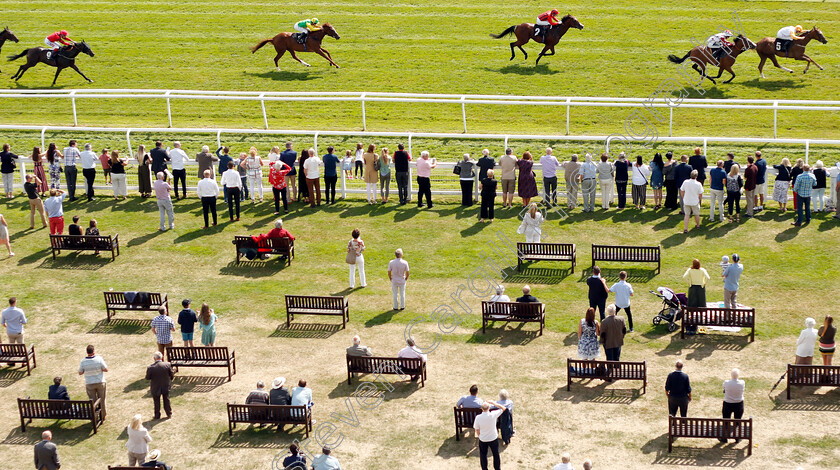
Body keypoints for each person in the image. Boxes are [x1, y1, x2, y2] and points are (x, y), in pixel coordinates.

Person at [473, 400, 507, 470]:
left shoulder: (478, 417)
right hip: (493, 438)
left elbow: (477, 429)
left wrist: (480, 436)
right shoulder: (493, 414)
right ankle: (497, 468)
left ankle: (484, 469)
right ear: (489, 408)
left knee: (483, 455)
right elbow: (503, 408)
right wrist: (494, 403)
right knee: (496, 454)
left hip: (483, 439)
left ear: (481, 408)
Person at [78, 344, 108, 420]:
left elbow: (80, 372)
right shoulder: (99, 359)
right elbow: (106, 369)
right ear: (93, 351)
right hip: (100, 382)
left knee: (93, 401)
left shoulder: (83, 361)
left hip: (89, 383)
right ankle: (103, 415)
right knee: (102, 399)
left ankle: (95, 416)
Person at [683, 259, 710, 335]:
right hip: (700, 288)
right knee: (701, 302)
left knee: (691, 302)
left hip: (692, 287)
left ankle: (691, 316)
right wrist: (704, 283)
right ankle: (701, 317)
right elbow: (708, 277)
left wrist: (689, 283)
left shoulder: (690, 270)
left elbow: (684, 277)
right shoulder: (702, 270)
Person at [145, 351, 174, 419]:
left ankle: (157, 415)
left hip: (155, 386)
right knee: (166, 400)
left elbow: (147, 378)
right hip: (165, 385)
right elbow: (171, 374)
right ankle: (168, 413)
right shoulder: (167, 364)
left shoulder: (150, 368)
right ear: (162, 357)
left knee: (156, 402)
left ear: (154, 358)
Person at [720, 368, 745, 443]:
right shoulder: (742, 383)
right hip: (739, 404)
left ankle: (724, 437)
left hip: (728, 403)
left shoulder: (726, 383)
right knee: (737, 421)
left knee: (726, 420)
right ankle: (737, 437)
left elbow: (724, 387)